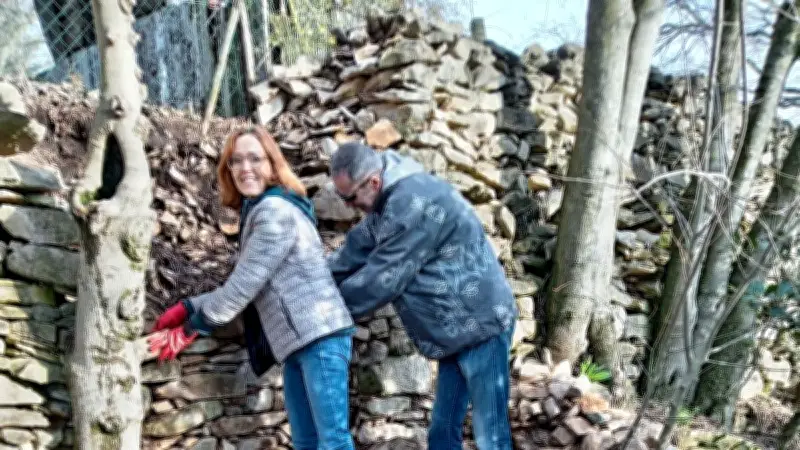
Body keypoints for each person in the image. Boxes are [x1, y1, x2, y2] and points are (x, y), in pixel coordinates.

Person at [148, 126, 356, 450]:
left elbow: (244, 286)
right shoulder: (261, 211)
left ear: (273, 165)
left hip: (319, 336)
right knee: (307, 442)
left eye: (255, 159)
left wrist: (192, 325)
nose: (245, 168)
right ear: (228, 170)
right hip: (299, 341)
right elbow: (250, 280)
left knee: (332, 443)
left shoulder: (275, 212)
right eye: (236, 161)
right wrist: (190, 306)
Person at [326, 142, 518, 450]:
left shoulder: (409, 203)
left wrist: (324, 311)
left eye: (349, 198)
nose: (348, 206)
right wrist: (316, 283)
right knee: (442, 434)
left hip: (481, 326)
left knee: (490, 437)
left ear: (373, 182)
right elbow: (356, 248)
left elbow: (383, 277)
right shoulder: (386, 199)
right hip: (454, 333)